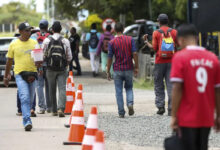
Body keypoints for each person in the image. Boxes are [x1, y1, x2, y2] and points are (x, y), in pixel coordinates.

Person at [170, 24, 220, 150]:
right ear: (196, 38)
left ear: (181, 40)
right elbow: (217, 90)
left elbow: (177, 88)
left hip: (186, 116)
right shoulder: (213, 59)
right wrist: (218, 115)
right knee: (202, 146)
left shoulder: (180, 57)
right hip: (206, 116)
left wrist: (174, 115)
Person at [4, 22, 39, 131]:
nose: (29, 32)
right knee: (24, 97)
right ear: (20, 31)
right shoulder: (13, 44)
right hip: (19, 74)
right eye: (27, 30)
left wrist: (40, 65)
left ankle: (27, 116)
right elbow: (9, 61)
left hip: (33, 75)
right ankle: (27, 121)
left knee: (30, 99)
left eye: (30, 30)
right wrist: (6, 75)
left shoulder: (34, 42)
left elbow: (39, 60)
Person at [144, 13, 177, 116]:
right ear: (168, 21)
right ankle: (171, 109)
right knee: (171, 85)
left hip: (159, 62)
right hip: (172, 62)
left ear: (159, 22)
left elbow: (154, 48)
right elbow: (179, 45)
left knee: (158, 84)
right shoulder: (174, 32)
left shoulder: (156, 33)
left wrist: (146, 42)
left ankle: (161, 106)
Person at [107, 22, 139, 118]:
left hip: (117, 69)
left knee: (118, 91)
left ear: (115, 30)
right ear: (123, 29)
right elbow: (135, 53)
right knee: (129, 88)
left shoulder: (111, 42)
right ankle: (130, 104)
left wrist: (108, 71)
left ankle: (121, 112)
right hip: (129, 68)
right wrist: (136, 67)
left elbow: (109, 58)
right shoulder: (130, 39)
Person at [42, 21, 72, 117]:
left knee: (51, 89)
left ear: (52, 29)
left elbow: (43, 55)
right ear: (61, 29)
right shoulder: (65, 41)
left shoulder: (47, 40)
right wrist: (66, 64)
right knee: (62, 88)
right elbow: (69, 57)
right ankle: (61, 108)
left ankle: (54, 110)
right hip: (62, 68)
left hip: (50, 68)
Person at [31, 19, 51, 114]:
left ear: (39, 27)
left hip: (38, 64)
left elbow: (32, 51)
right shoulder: (50, 37)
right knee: (48, 85)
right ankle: (49, 107)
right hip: (48, 65)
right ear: (47, 27)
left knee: (39, 85)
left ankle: (42, 107)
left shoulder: (33, 36)